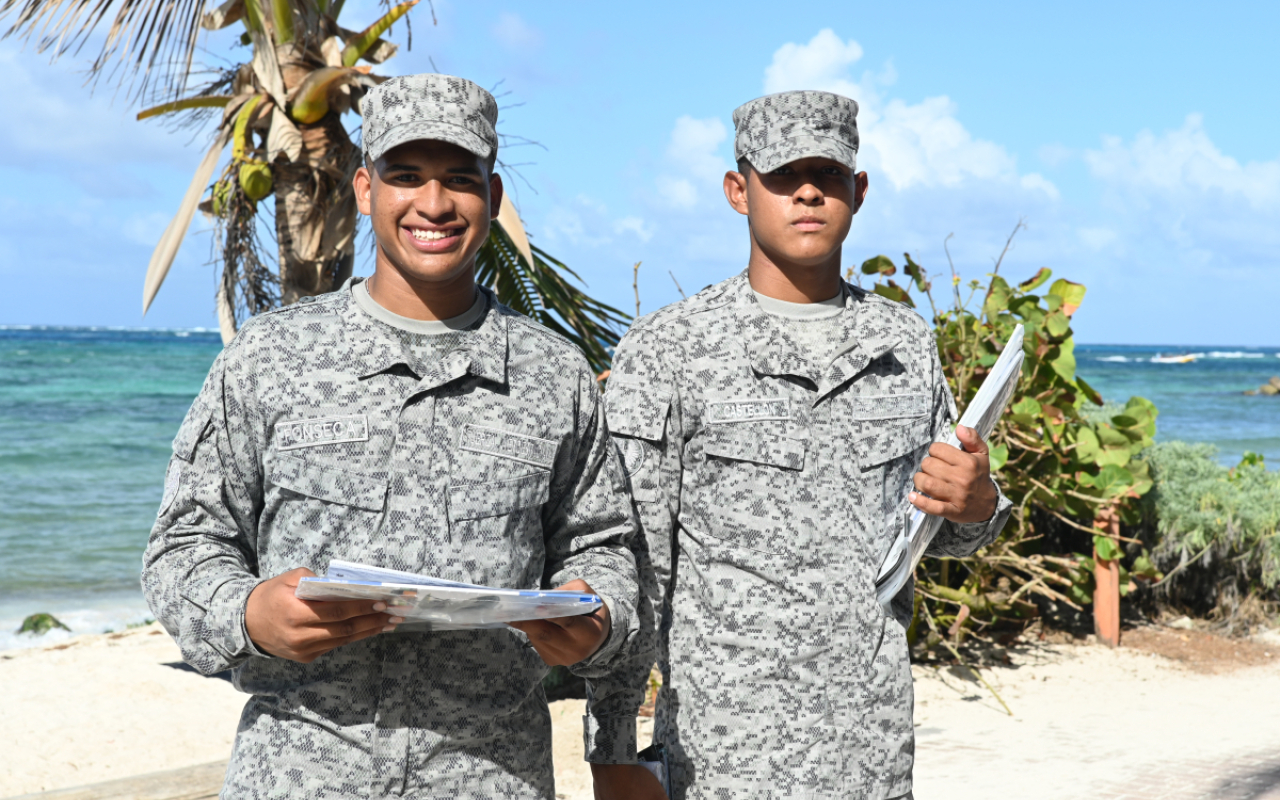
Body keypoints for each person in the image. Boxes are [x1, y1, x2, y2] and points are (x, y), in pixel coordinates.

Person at [142, 73, 640, 799]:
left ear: (493, 197)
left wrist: (596, 619)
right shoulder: (272, 357)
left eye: (460, 179)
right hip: (300, 772)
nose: (433, 204)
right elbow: (185, 542)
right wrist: (248, 614)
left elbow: (606, 546)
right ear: (365, 189)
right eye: (406, 176)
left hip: (492, 776)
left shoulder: (554, 376)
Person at [589, 90, 1013, 800]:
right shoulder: (671, 348)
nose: (808, 192)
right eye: (784, 175)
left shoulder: (902, 343)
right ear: (738, 191)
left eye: (828, 174)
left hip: (870, 748)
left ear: (859, 191)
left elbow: (933, 533)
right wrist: (613, 749)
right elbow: (630, 561)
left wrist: (978, 504)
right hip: (720, 759)